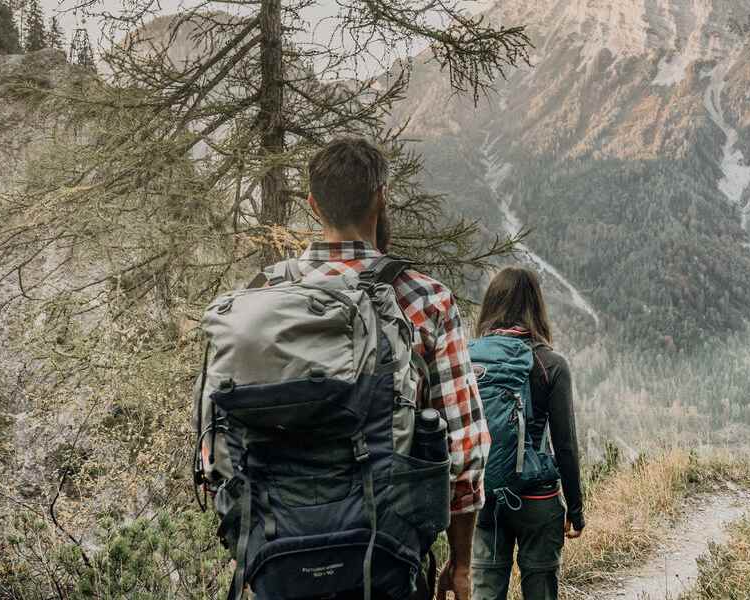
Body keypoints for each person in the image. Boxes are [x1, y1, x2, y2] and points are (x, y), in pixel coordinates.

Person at [196, 137, 489, 600]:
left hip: (278, 555)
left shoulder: (257, 301)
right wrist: (462, 563)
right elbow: (464, 449)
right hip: (387, 556)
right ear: (381, 198)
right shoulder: (424, 299)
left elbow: (214, 449)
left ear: (313, 205)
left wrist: (252, 543)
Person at [469, 267, 585, 600]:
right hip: (537, 498)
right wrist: (575, 509)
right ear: (536, 307)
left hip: (486, 496)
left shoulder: (469, 357)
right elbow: (565, 445)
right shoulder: (551, 363)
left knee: (485, 592)